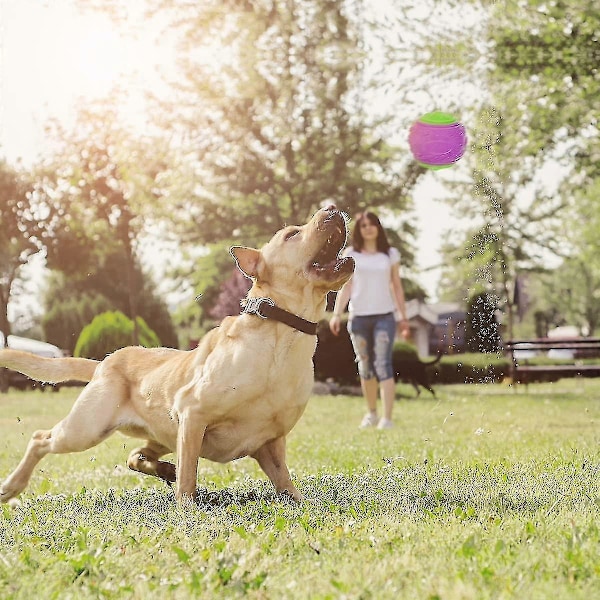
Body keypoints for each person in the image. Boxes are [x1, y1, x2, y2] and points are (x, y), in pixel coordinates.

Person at [329, 210, 409, 429]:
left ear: (378, 227)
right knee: (365, 366)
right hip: (359, 318)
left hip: (385, 316)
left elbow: (396, 286)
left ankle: (387, 418)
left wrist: (403, 317)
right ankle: (372, 413)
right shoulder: (352, 254)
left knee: (383, 364)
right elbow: (347, 286)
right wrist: (337, 313)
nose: (368, 228)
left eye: (372, 224)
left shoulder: (390, 255)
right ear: (359, 230)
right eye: (363, 225)